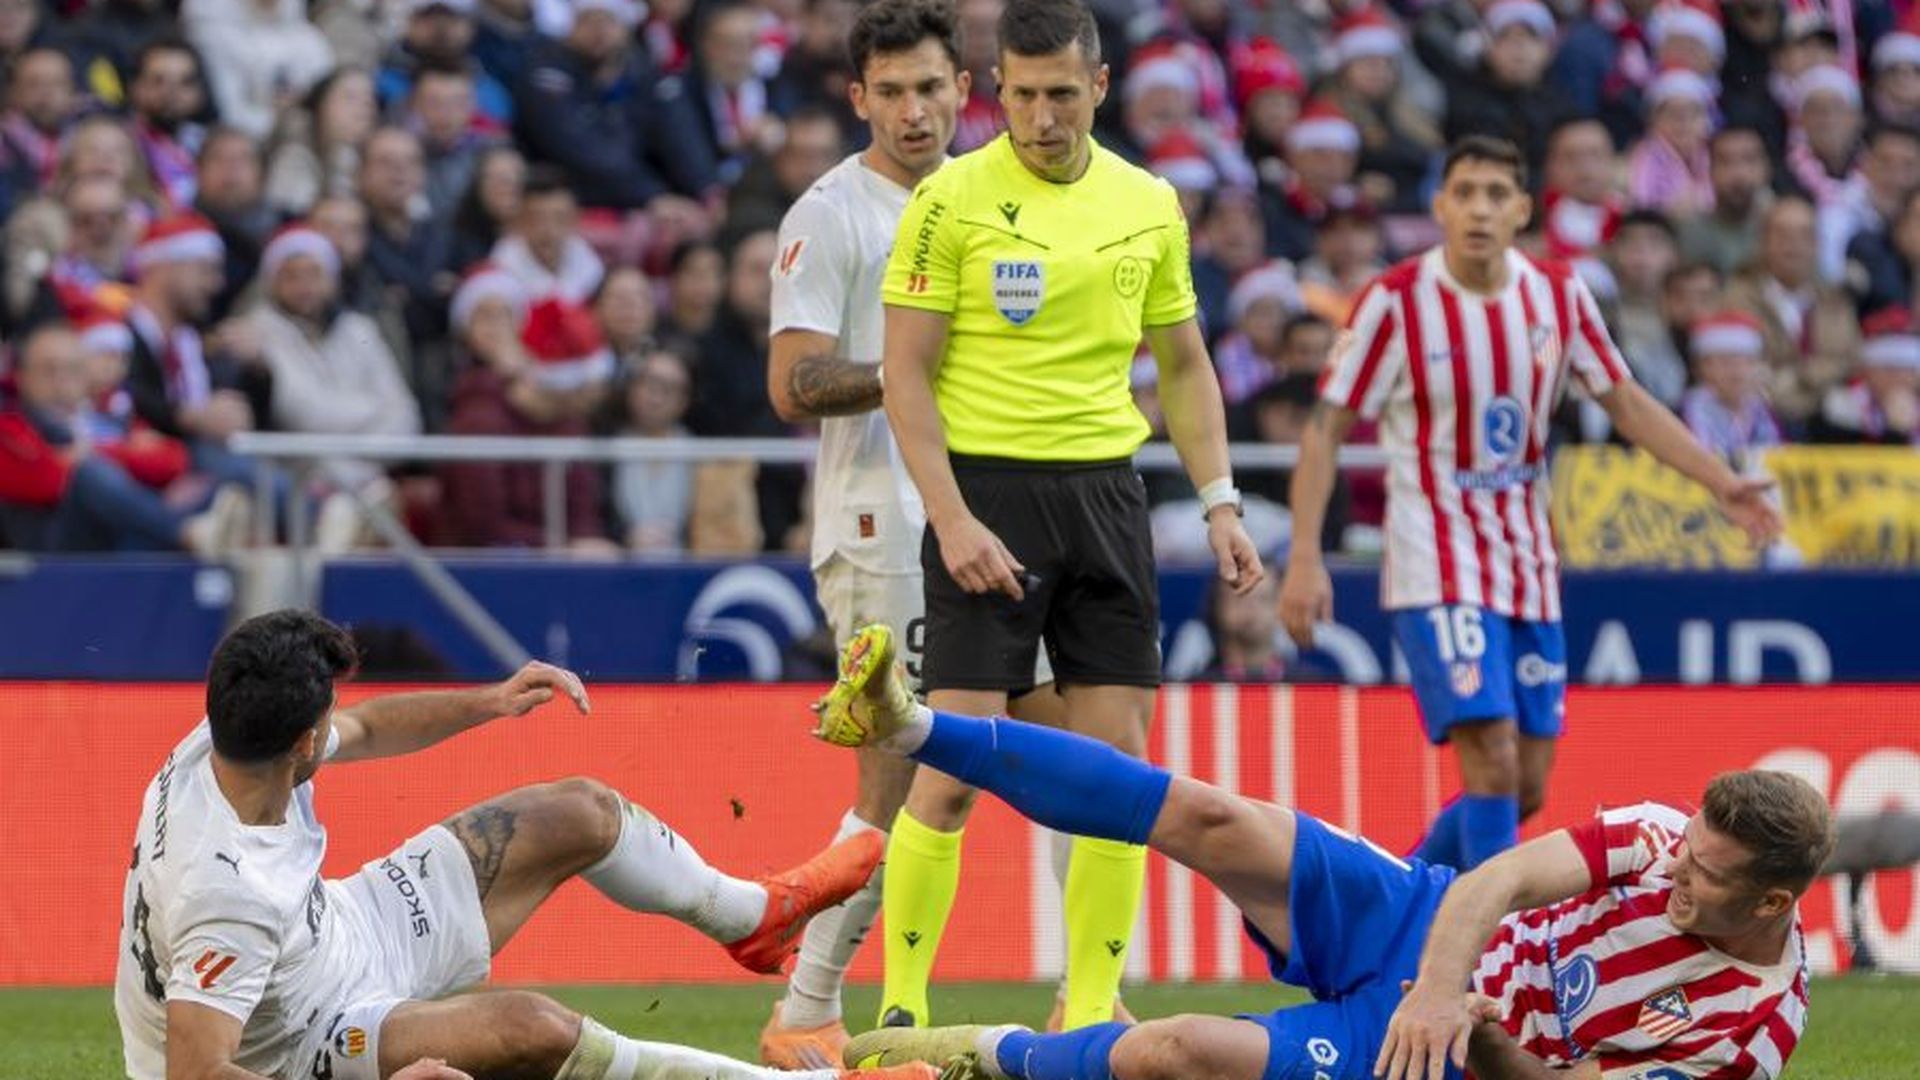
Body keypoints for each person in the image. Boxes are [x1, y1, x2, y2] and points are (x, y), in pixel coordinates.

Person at [818, 623, 1833, 1080]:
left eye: (1704, 878)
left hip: (1441, 1059)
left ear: (1774, 903)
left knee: (1178, 1053)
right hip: (1426, 920)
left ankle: (985, 1059)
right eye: (1687, 853)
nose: (1677, 878)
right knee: (1214, 819)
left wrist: (1465, 1029)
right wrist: (1442, 980)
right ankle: (912, 727)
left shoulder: (1747, 1039)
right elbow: (1506, 875)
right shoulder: (1665, 835)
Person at [879, 0, 1261, 1034]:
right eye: (1020, 94)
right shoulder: (949, 199)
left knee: (1115, 776)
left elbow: (1183, 367)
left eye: (1060, 95)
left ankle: (1087, 1010)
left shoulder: (1149, 203)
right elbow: (904, 376)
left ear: (1099, 87)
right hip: (987, 493)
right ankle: (904, 1011)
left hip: (1107, 496)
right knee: (954, 768)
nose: (1039, 118)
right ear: (996, 89)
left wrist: (1219, 503)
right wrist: (951, 519)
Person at [115, 608, 939, 1080]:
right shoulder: (226, 895)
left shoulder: (225, 739)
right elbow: (194, 1075)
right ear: (299, 740)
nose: (338, 721)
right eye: (324, 717)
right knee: (534, 1029)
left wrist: (493, 700)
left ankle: (756, 916)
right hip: (300, 1041)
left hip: (339, 929)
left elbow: (363, 727)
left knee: (576, 811)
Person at [1277, 136, 1784, 873]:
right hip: (1434, 557)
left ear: (1521, 210)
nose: (1479, 208)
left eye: (1496, 194)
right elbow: (1324, 430)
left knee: (1525, 784)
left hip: (1527, 563)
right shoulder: (1395, 302)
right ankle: (1487, 958)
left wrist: (1721, 481)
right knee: (1490, 756)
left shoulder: (1559, 293)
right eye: (1466, 193)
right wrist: (1303, 559)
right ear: (1440, 206)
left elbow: (1626, 401)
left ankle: (1390, 903)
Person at [761, 0, 1076, 1061]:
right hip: (883, 529)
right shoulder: (830, 213)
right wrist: (907, 371)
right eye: (888, 91)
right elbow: (792, 383)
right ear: (858, 100)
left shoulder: (1005, 201)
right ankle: (808, 1005)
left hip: (1002, 520)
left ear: (964, 91)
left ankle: (1090, 995)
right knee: (899, 775)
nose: (911, 110)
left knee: (1077, 746)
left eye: (929, 88)